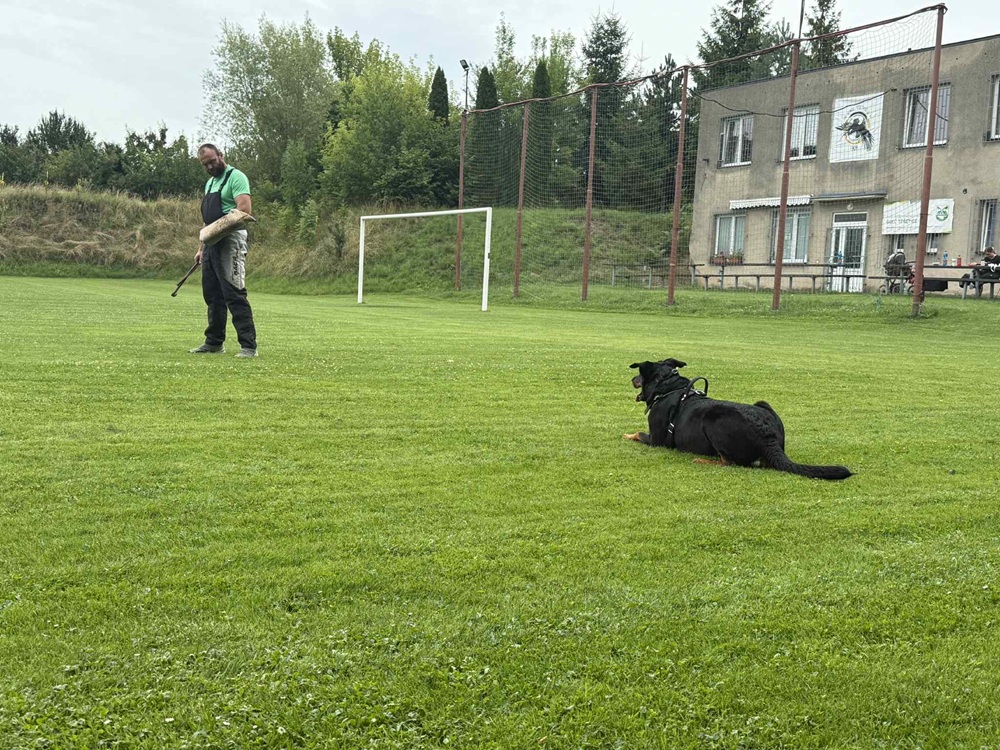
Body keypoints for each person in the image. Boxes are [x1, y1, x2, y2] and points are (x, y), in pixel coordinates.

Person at [188, 143, 258, 357]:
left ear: (220, 155)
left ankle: (248, 346)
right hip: (210, 244)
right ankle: (214, 342)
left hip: (231, 241)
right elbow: (208, 221)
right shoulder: (210, 184)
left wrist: (216, 234)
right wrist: (202, 248)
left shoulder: (236, 177)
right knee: (212, 295)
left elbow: (244, 209)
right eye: (205, 164)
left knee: (234, 293)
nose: (210, 166)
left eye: (212, 161)